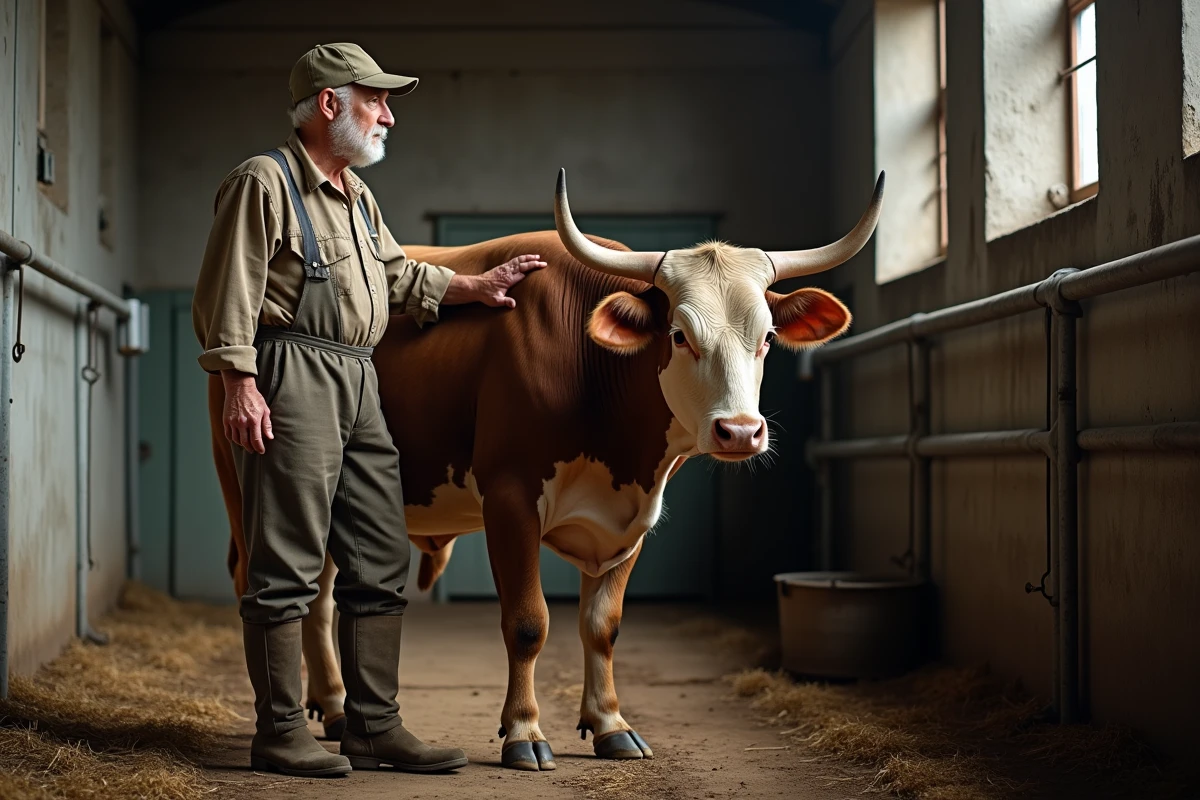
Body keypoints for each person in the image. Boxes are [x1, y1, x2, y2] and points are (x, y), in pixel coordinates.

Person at [192, 42, 545, 777]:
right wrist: (239, 383)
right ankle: (281, 731)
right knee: (286, 561)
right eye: (375, 100)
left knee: (382, 555)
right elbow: (227, 292)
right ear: (329, 104)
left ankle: (374, 725)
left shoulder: (356, 195)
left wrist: (474, 287)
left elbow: (396, 275)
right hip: (291, 371)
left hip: (359, 378)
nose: (387, 115)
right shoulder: (266, 181)